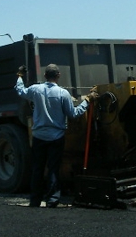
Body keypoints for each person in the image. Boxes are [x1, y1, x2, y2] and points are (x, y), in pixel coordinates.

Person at [14, 63, 98, 207]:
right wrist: (87, 101)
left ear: (45, 76)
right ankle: (52, 200)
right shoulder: (63, 93)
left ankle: (34, 200)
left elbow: (20, 91)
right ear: (58, 76)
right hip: (56, 137)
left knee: (37, 169)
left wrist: (20, 76)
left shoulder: (35, 89)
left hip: (39, 136)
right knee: (53, 169)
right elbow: (74, 114)